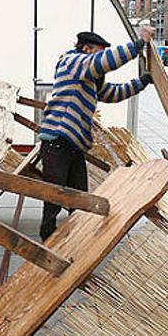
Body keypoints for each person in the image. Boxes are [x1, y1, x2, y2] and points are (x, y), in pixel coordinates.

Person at [37, 27, 155, 241]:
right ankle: (46, 242)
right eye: (98, 52)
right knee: (54, 198)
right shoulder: (71, 61)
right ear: (86, 49)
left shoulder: (88, 78)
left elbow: (114, 93)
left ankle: (75, 239)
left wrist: (142, 82)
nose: (100, 59)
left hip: (72, 145)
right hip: (57, 141)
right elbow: (102, 62)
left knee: (79, 197)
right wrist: (138, 45)